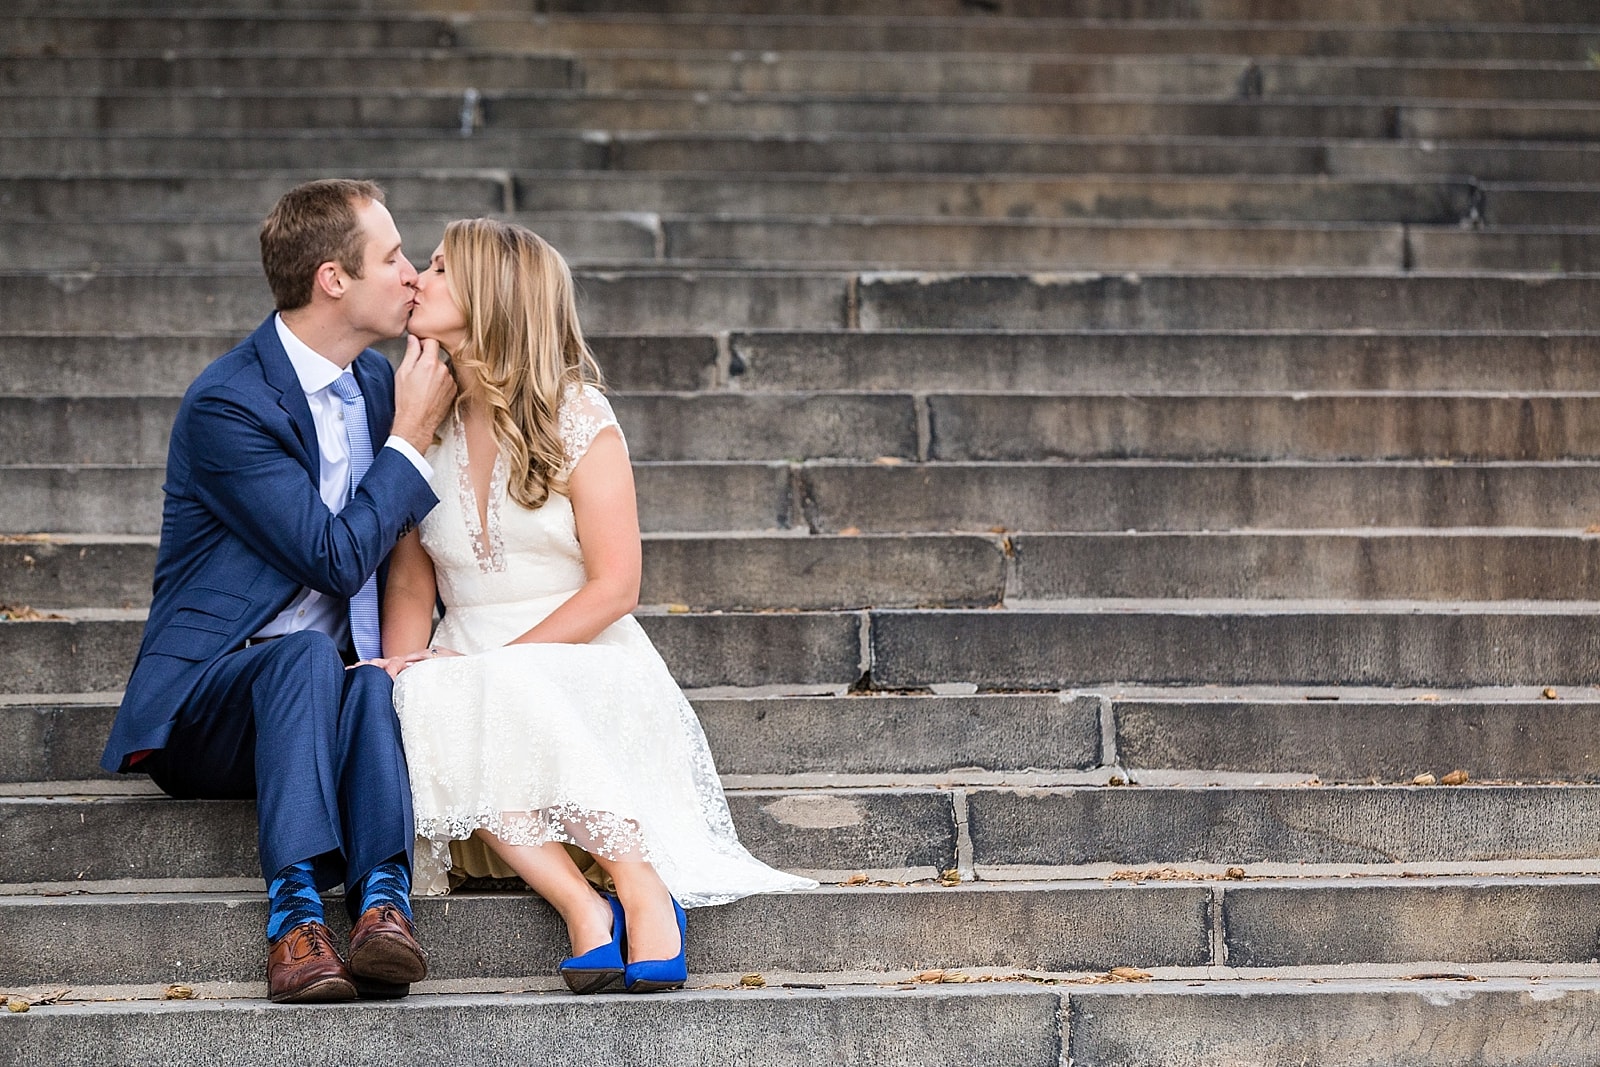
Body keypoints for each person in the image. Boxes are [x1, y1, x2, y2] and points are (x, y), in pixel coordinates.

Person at [374, 217, 815, 995]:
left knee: (493, 689)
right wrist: (401, 669)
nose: (418, 278)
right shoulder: (421, 422)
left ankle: (639, 884)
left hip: (584, 651)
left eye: (440, 268)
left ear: (490, 295)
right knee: (429, 692)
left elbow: (617, 583)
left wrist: (502, 662)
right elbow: (412, 584)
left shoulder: (577, 415)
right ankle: (583, 905)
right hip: (470, 662)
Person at [98, 179, 457, 1003]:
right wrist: (409, 441)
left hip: (328, 698)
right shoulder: (229, 403)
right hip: (214, 704)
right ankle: (294, 917)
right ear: (334, 278)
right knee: (303, 655)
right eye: (393, 255)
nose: (410, 273)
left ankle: (381, 910)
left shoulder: (376, 386)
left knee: (373, 682)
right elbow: (333, 558)